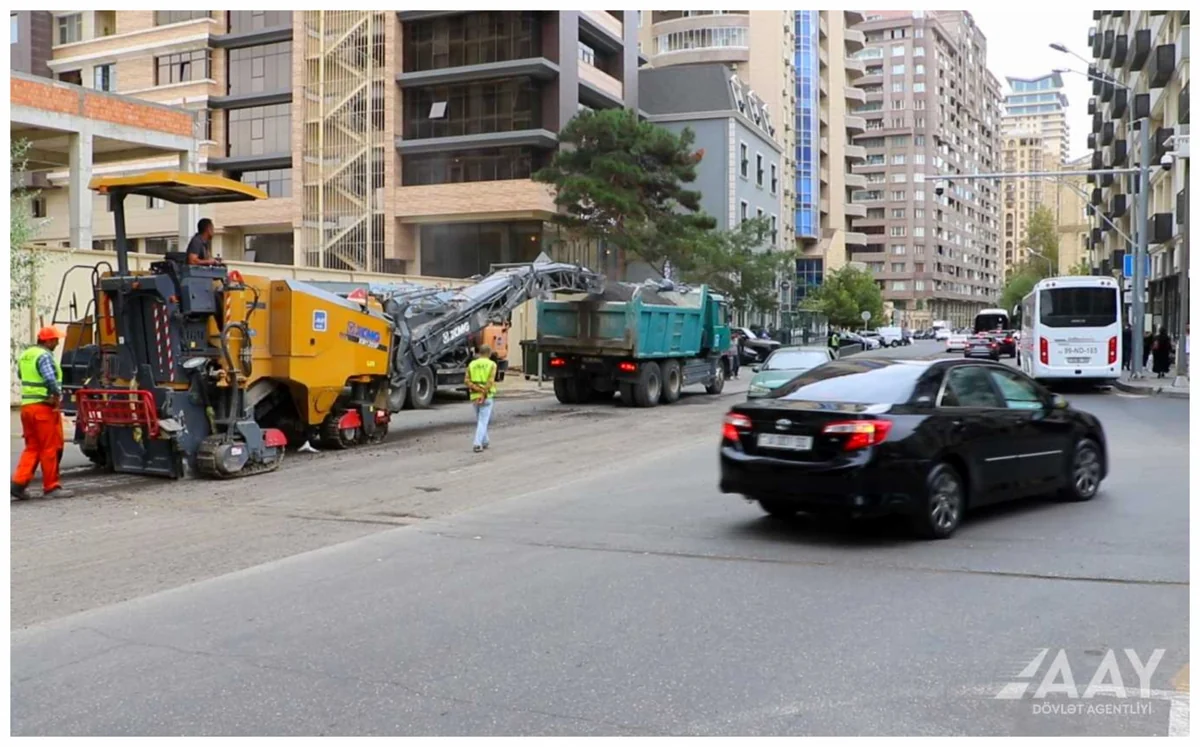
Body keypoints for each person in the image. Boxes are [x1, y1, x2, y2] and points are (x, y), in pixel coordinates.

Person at [12, 327, 74, 499]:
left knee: (32, 447)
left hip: (27, 408)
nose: (57, 342)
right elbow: (49, 379)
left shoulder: (27, 354)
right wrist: (56, 395)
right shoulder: (45, 356)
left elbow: (20, 374)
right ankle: (51, 487)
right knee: (49, 448)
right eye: (55, 340)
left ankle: (18, 484)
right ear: (47, 341)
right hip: (43, 408)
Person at [464, 344, 498, 453]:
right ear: (489, 353)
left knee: (480, 420)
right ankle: (477, 444)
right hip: (487, 396)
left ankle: (485, 441)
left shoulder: (472, 364)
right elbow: (490, 381)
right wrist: (483, 392)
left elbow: (466, 381)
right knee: (483, 421)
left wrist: (476, 389)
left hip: (474, 396)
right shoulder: (492, 364)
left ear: (479, 353)